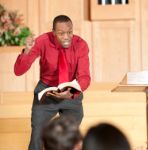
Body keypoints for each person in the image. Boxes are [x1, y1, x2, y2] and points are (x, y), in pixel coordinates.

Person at [14, 15, 91, 150]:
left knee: (69, 137)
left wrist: (72, 92)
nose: (66, 37)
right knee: (37, 134)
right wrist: (27, 51)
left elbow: (84, 76)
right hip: (46, 91)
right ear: (54, 32)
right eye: (61, 33)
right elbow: (18, 71)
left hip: (71, 90)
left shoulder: (80, 45)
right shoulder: (42, 41)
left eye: (70, 32)